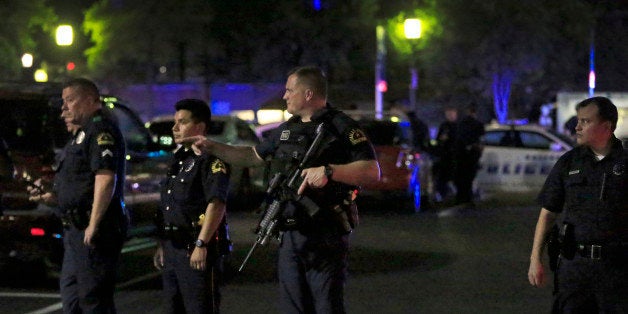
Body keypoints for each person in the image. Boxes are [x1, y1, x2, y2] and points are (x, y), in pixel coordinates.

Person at [181, 66, 380, 313]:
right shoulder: (287, 129)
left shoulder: (341, 126)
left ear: (308, 94)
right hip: (289, 231)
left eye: (289, 90)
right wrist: (211, 146)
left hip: (325, 232)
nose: (284, 96)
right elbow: (252, 156)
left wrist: (329, 171)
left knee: (327, 305)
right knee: (292, 307)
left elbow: (372, 171)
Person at [29, 78, 128, 313]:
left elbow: (105, 178)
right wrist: (52, 197)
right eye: (64, 102)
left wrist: (93, 224)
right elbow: (79, 186)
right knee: (72, 299)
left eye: (70, 100)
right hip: (75, 229)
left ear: (92, 101)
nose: (65, 108)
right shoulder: (81, 135)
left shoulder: (100, 130)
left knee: (93, 300)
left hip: (92, 230)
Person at [528, 96, 628, 313]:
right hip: (575, 268)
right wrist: (535, 258)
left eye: (585, 121)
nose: (577, 127)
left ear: (606, 126)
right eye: (578, 121)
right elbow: (547, 214)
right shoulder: (568, 162)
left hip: (618, 269)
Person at [152, 99, 230, 314]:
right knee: (173, 308)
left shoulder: (211, 161)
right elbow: (169, 206)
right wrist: (162, 244)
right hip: (173, 248)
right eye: (175, 122)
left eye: (182, 122)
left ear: (200, 127)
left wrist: (201, 244)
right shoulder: (179, 160)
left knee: (200, 308)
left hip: (195, 249)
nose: (174, 128)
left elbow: (216, 204)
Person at [452, 104, 485, 206]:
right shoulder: (478, 124)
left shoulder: (461, 124)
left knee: (460, 176)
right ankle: (468, 198)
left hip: (461, 154)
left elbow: (458, 138)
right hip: (472, 154)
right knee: (470, 177)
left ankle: (460, 197)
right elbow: (481, 140)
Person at [433, 107, 458, 201]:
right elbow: (438, 139)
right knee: (443, 176)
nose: (451, 116)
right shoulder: (444, 126)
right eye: (449, 114)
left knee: (452, 175)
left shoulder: (457, 126)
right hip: (444, 155)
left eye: (452, 114)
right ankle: (443, 194)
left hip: (454, 155)